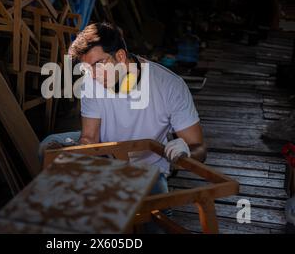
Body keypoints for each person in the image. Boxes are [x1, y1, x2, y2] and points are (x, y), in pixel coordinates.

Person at [40, 22, 206, 200]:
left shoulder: (170, 85)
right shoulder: (91, 81)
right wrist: (71, 151)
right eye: (87, 68)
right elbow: (90, 138)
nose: (93, 74)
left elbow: (200, 149)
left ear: (120, 56)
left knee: (152, 218)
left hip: (147, 166)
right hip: (104, 155)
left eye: (98, 64)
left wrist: (186, 151)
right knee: (48, 146)